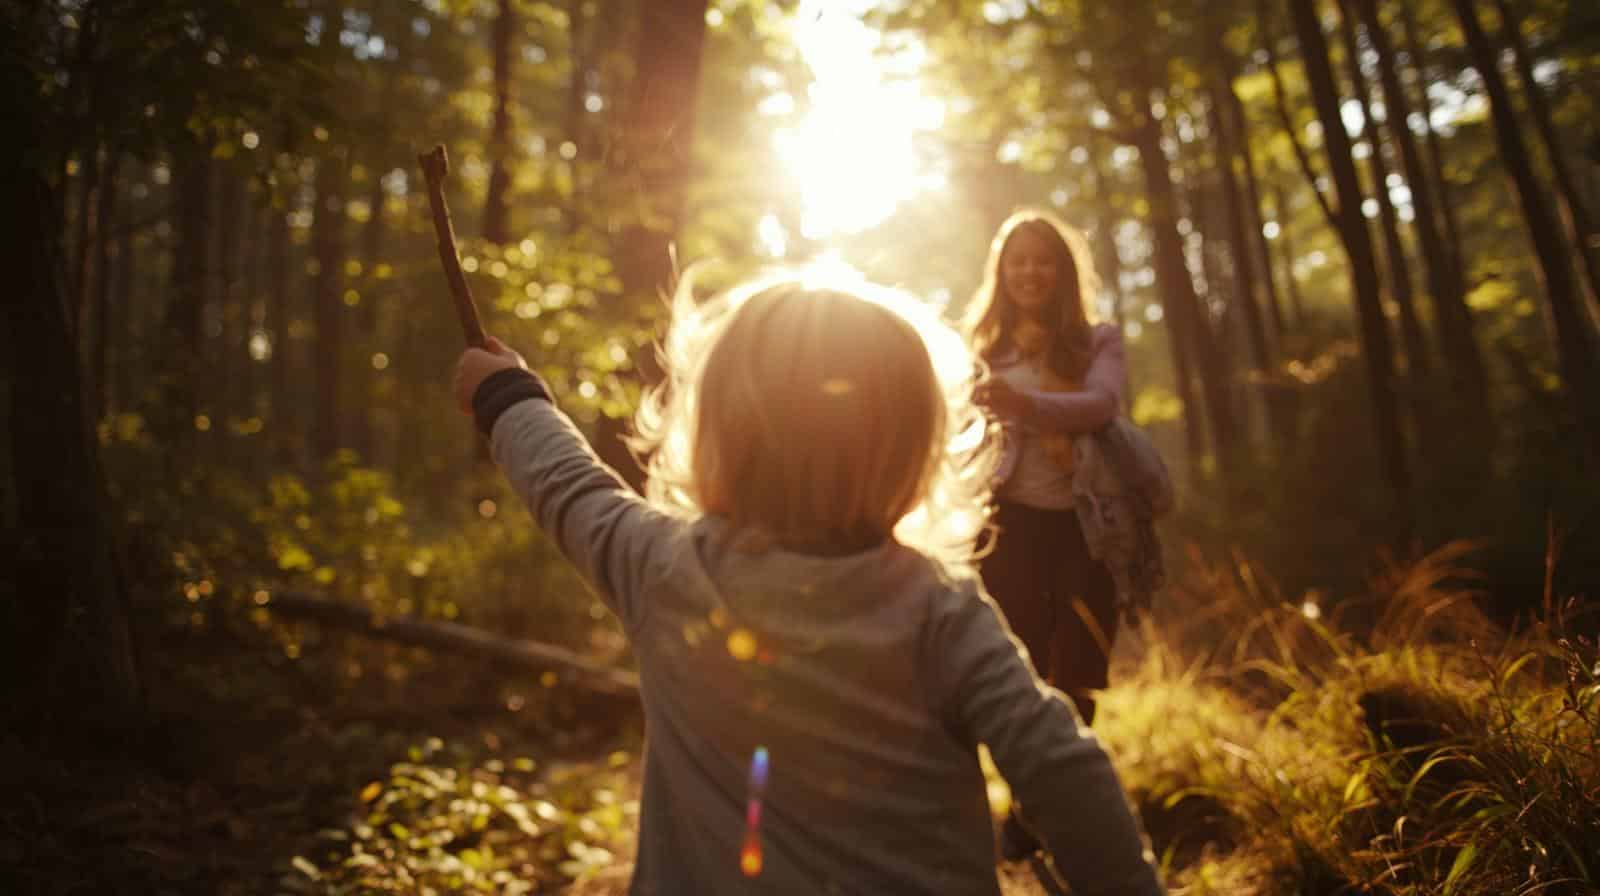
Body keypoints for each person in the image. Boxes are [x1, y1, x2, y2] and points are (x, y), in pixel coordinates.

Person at [453, 269, 1164, 896]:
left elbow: (568, 488)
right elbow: (1057, 764)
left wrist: (508, 396)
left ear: (715, 432)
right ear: (916, 448)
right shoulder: (934, 607)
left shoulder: (663, 567)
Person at [964, 210, 1130, 858]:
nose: (1031, 272)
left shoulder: (1099, 340)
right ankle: (1028, 805)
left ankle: (1042, 812)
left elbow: (1101, 405)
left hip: (1088, 527)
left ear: (1062, 272)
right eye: (1019, 262)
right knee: (1019, 670)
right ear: (1002, 274)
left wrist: (1022, 404)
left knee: (1078, 672)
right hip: (1007, 529)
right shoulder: (982, 349)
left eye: (1044, 261)